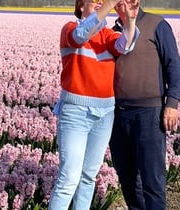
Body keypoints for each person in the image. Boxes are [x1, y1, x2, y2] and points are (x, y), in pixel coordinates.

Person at [48, 0, 140, 209]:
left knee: (88, 176)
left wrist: (129, 19)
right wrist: (109, 4)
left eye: (103, 0)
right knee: (69, 178)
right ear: (81, 6)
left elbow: (126, 45)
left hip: (105, 112)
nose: (101, 3)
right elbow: (82, 34)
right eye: (95, 1)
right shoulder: (70, 29)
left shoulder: (107, 35)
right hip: (76, 112)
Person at [109, 2, 180, 210]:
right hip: (117, 114)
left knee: (153, 179)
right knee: (127, 179)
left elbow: (174, 66)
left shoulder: (156, 24)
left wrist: (172, 103)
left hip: (149, 113)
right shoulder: (112, 32)